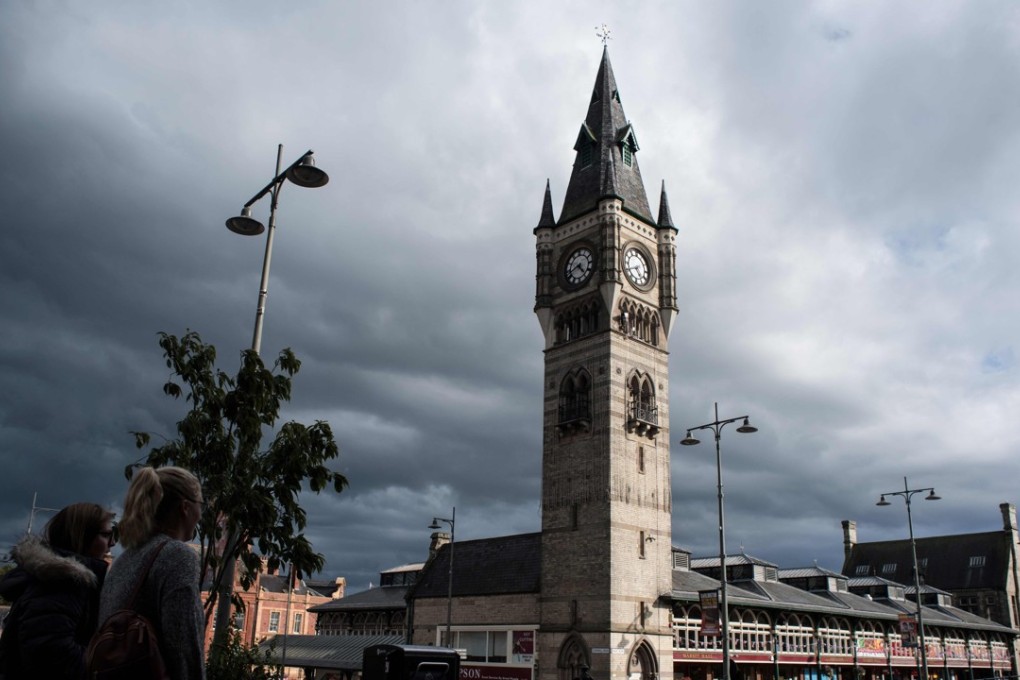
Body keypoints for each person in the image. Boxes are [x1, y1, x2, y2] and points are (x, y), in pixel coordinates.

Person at [97, 466, 206, 680]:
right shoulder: (177, 556)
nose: (201, 515)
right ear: (185, 507)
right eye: (201, 505)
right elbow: (184, 648)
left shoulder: (123, 560)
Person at [0, 502, 115, 679]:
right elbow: (54, 659)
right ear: (81, 536)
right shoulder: (58, 585)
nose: (113, 542)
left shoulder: (62, 583)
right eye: (106, 534)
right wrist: (110, 663)